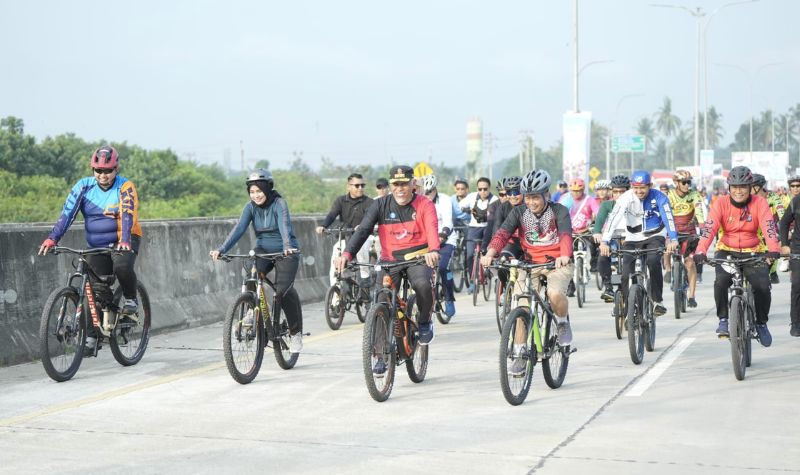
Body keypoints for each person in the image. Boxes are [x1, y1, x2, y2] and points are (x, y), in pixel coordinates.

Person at [38, 145, 142, 356]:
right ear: (93, 170)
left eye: (108, 171)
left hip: (126, 237)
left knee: (122, 266)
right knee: (93, 291)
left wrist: (123, 240)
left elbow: (127, 214)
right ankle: (92, 337)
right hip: (96, 244)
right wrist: (52, 238)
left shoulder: (125, 187)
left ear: (116, 168)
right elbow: (67, 214)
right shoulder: (83, 187)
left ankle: (131, 299)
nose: (103, 175)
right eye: (98, 171)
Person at [336, 165, 440, 356]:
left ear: (413, 184)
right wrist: (347, 254)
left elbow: (432, 229)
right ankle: (380, 353)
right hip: (389, 260)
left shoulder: (425, 204)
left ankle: (424, 321)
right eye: (396, 184)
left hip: (417, 257)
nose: (400, 188)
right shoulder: (380, 205)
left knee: (423, 285)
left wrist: (433, 250)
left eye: (404, 184)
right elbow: (363, 230)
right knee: (381, 300)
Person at [481, 169, 575, 374]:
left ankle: (561, 322)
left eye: (536, 198)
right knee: (522, 306)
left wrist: (565, 255)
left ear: (546, 195)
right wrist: (490, 253)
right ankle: (520, 352)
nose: (532, 202)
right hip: (529, 264)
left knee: (554, 294)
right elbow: (502, 233)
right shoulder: (519, 212)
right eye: (529, 198)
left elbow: (566, 234)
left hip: (557, 263)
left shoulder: (559, 211)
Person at [210, 169, 304, 353]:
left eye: (259, 191)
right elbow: (238, 229)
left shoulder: (279, 203)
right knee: (251, 274)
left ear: (267, 189)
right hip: (263, 250)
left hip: (287, 252)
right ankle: (253, 310)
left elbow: (284, 226)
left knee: (282, 292)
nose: (256, 196)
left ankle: (295, 333)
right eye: (252, 192)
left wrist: (286, 245)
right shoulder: (250, 208)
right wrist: (222, 249)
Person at [694, 166, 780, 345]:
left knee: (763, 286)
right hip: (727, 250)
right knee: (721, 282)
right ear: (729, 188)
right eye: (734, 187)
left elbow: (769, 228)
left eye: (743, 187)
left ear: (750, 187)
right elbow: (709, 229)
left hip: (753, 251)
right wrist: (701, 250)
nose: (738, 191)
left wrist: (773, 248)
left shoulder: (760, 203)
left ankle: (761, 323)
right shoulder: (720, 203)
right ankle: (724, 320)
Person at [599, 170, 678, 317]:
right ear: (631, 186)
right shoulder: (625, 198)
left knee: (653, 261)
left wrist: (673, 239)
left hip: (655, 235)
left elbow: (668, 217)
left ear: (650, 186)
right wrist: (605, 241)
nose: (639, 191)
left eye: (642, 187)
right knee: (625, 273)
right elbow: (613, 218)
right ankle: (628, 308)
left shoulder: (660, 197)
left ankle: (657, 301)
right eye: (635, 187)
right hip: (632, 237)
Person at [315, 173, 374, 285]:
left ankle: (365, 278)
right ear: (348, 186)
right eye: (357, 186)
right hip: (346, 236)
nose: (360, 188)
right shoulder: (341, 201)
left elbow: (370, 218)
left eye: (362, 185)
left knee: (361, 250)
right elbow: (332, 215)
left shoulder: (370, 202)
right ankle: (335, 291)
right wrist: (323, 226)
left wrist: (362, 227)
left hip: (365, 237)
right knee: (336, 255)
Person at [663, 169, 706, 308]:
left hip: (689, 231)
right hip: (673, 230)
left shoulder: (694, 194)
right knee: (667, 249)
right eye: (684, 182)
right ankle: (669, 270)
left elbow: (699, 210)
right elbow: (664, 212)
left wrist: (702, 225)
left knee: (690, 262)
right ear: (676, 183)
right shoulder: (669, 195)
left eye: (689, 182)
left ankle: (692, 296)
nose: (687, 185)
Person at [420, 174, 457, 318]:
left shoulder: (445, 200)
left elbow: (448, 222)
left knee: (442, 267)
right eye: (425, 192)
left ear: (435, 189)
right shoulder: (419, 201)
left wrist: (442, 236)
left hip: (446, 240)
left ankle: (449, 298)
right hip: (427, 242)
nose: (427, 195)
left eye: (430, 192)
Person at [558, 178, 599, 295]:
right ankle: (570, 284)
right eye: (573, 191)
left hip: (586, 230)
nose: (576, 193)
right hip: (570, 232)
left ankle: (594, 262)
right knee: (568, 257)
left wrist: (596, 222)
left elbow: (598, 211)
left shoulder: (590, 200)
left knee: (595, 241)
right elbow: (558, 212)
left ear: (583, 190)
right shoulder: (565, 199)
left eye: (579, 191)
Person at [593, 174, 630, 301]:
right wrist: (597, 232)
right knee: (602, 257)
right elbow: (599, 221)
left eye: (622, 192)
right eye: (615, 192)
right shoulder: (606, 205)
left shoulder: (635, 204)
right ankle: (608, 288)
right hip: (612, 238)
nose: (618, 195)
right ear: (612, 192)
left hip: (631, 238)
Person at [459, 177, 498, 293]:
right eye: (480, 189)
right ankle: (473, 280)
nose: (482, 192)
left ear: (489, 188)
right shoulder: (471, 197)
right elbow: (460, 205)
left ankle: (487, 272)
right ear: (477, 189)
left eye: (485, 189)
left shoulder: (494, 199)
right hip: (473, 228)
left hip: (488, 228)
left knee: (486, 253)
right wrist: (466, 210)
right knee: (470, 255)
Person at [752, 173, 786, 284]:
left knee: (773, 250)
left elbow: (782, 215)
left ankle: (772, 272)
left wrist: (785, 232)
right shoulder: (748, 198)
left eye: (749, 186)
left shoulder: (773, 197)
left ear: (757, 187)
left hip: (770, 231)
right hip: (752, 232)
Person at [780, 188, 800, 337]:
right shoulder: (796, 201)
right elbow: (784, 222)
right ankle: (795, 323)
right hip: (798, 250)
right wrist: (785, 244)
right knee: (797, 285)